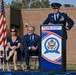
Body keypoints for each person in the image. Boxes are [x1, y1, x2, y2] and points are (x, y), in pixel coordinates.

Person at [43, 2, 74, 72]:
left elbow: (71, 22)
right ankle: (52, 66)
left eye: (56, 8)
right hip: (52, 37)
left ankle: (62, 67)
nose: (54, 9)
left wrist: (67, 28)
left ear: (59, 9)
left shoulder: (63, 15)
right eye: (53, 8)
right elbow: (44, 24)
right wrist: (48, 27)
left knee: (61, 52)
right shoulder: (50, 16)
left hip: (62, 36)